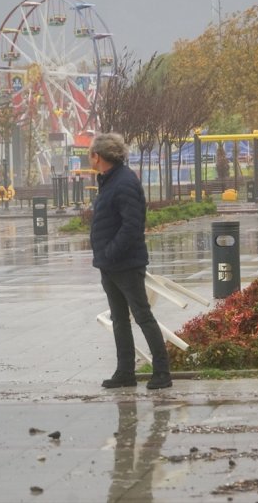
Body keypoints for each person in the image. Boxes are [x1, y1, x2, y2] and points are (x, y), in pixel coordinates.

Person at [89, 133, 172, 390]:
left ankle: (162, 372)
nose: (89, 159)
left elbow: (132, 225)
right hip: (110, 264)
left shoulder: (123, 182)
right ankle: (125, 372)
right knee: (120, 320)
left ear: (99, 156)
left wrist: (111, 252)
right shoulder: (110, 180)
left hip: (125, 263)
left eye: (90, 154)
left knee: (142, 316)